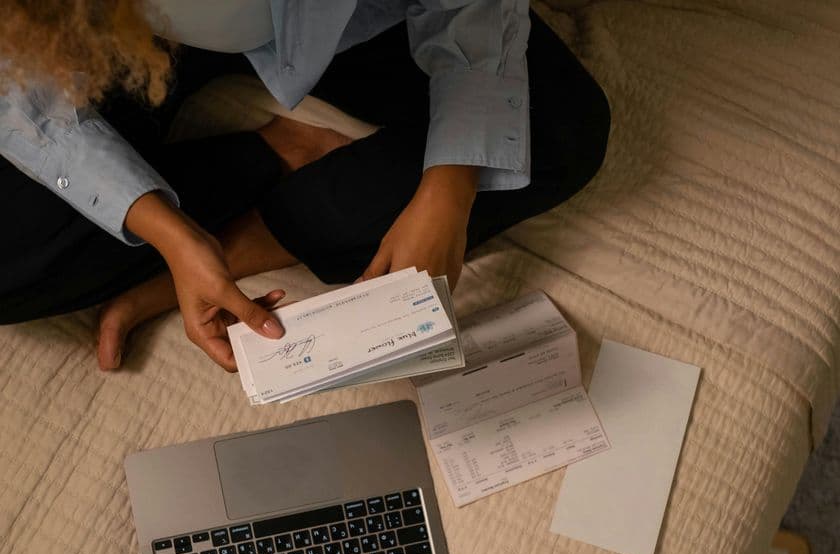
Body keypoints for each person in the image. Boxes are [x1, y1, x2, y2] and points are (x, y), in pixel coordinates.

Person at [0, 1, 610, 372]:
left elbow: (472, 11)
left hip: (343, 18)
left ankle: (240, 244)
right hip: (120, 35)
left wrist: (451, 186)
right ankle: (265, 162)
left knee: (556, 128)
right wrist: (170, 233)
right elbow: (19, 93)